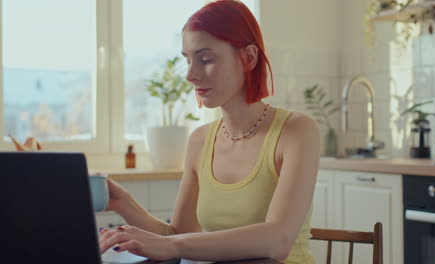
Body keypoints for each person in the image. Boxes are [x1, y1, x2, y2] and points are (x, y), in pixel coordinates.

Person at [99, 1, 320, 263]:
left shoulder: (297, 131)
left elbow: (277, 241)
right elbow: (177, 235)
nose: (190, 74)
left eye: (206, 59)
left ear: (249, 57)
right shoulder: (200, 140)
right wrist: (124, 203)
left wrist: (174, 245)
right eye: (188, 60)